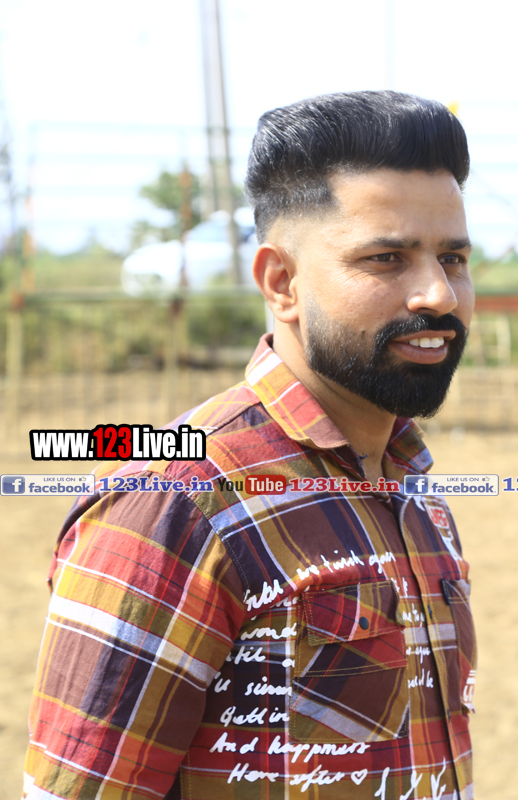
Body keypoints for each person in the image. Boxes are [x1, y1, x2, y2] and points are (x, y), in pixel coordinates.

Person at [24, 91, 477, 799]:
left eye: (453, 258)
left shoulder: (405, 479)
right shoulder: (179, 500)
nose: (438, 295)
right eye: (387, 258)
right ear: (281, 283)